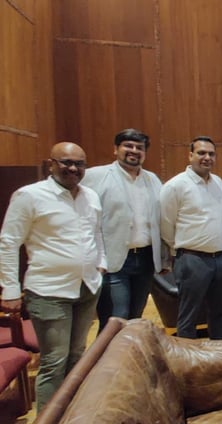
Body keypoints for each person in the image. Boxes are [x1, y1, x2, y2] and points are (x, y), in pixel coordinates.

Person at [0, 142, 105, 411]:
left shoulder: (91, 196)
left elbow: (95, 233)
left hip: (87, 287)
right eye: (66, 162)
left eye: (79, 163)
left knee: (77, 354)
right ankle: (49, 416)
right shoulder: (29, 195)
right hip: (49, 291)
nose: (73, 168)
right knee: (54, 361)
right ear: (51, 164)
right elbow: (8, 242)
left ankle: (72, 411)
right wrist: (10, 289)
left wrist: (101, 263)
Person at [80, 129, 167, 332]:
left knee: (135, 318)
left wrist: (164, 258)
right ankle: (107, 354)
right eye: (128, 145)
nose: (134, 151)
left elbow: (161, 220)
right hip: (114, 260)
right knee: (115, 319)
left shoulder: (152, 180)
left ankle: (128, 353)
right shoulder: (95, 176)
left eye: (139, 147)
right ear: (116, 149)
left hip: (145, 259)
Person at [159, 136, 222, 339]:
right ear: (190, 155)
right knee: (189, 315)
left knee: (220, 312)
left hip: (221, 257)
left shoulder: (218, 182)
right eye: (201, 153)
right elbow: (166, 224)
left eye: (211, 154)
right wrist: (180, 248)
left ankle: (218, 353)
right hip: (192, 259)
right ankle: (186, 356)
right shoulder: (175, 186)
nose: (207, 157)